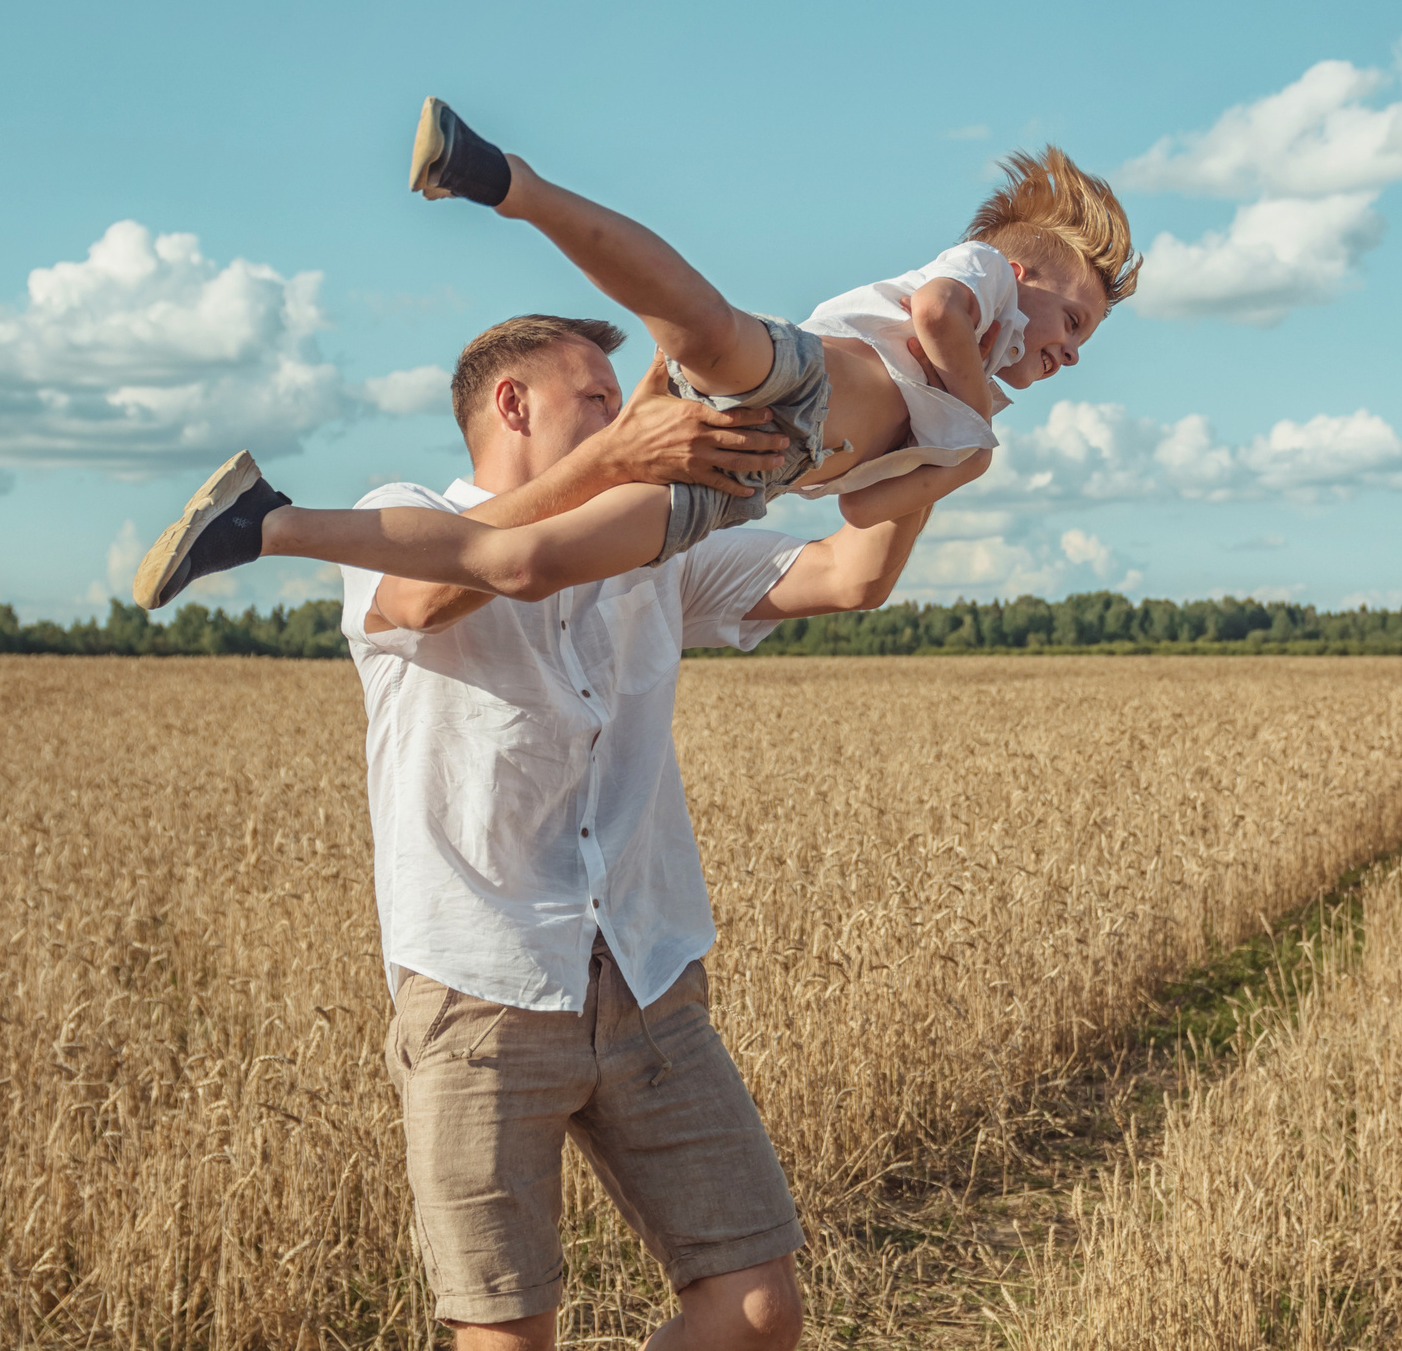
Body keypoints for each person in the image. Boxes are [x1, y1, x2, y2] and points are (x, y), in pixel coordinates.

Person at [341, 312, 934, 1348]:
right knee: (504, 1338)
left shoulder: (657, 549)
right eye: (598, 401)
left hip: (646, 976)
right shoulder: (402, 512)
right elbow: (439, 588)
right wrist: (617, 464)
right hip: (481, 988)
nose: (631, 420)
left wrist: (937, 444)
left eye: (624, 402)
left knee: (756, 1312)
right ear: (511, 404)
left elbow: (851, 576)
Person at [127, 104, 1138, 613]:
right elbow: (935, 314)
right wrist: (973, 434)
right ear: (1029, 271)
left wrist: (951, 465)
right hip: (805, 378)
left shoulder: (962, 411)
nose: (1071, 353)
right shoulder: (985, 281)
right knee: (693, 320)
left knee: (524, 566)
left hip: (748, 476)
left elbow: (862, 515)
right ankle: (500, 179)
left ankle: (262, 525)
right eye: (1078, 323)